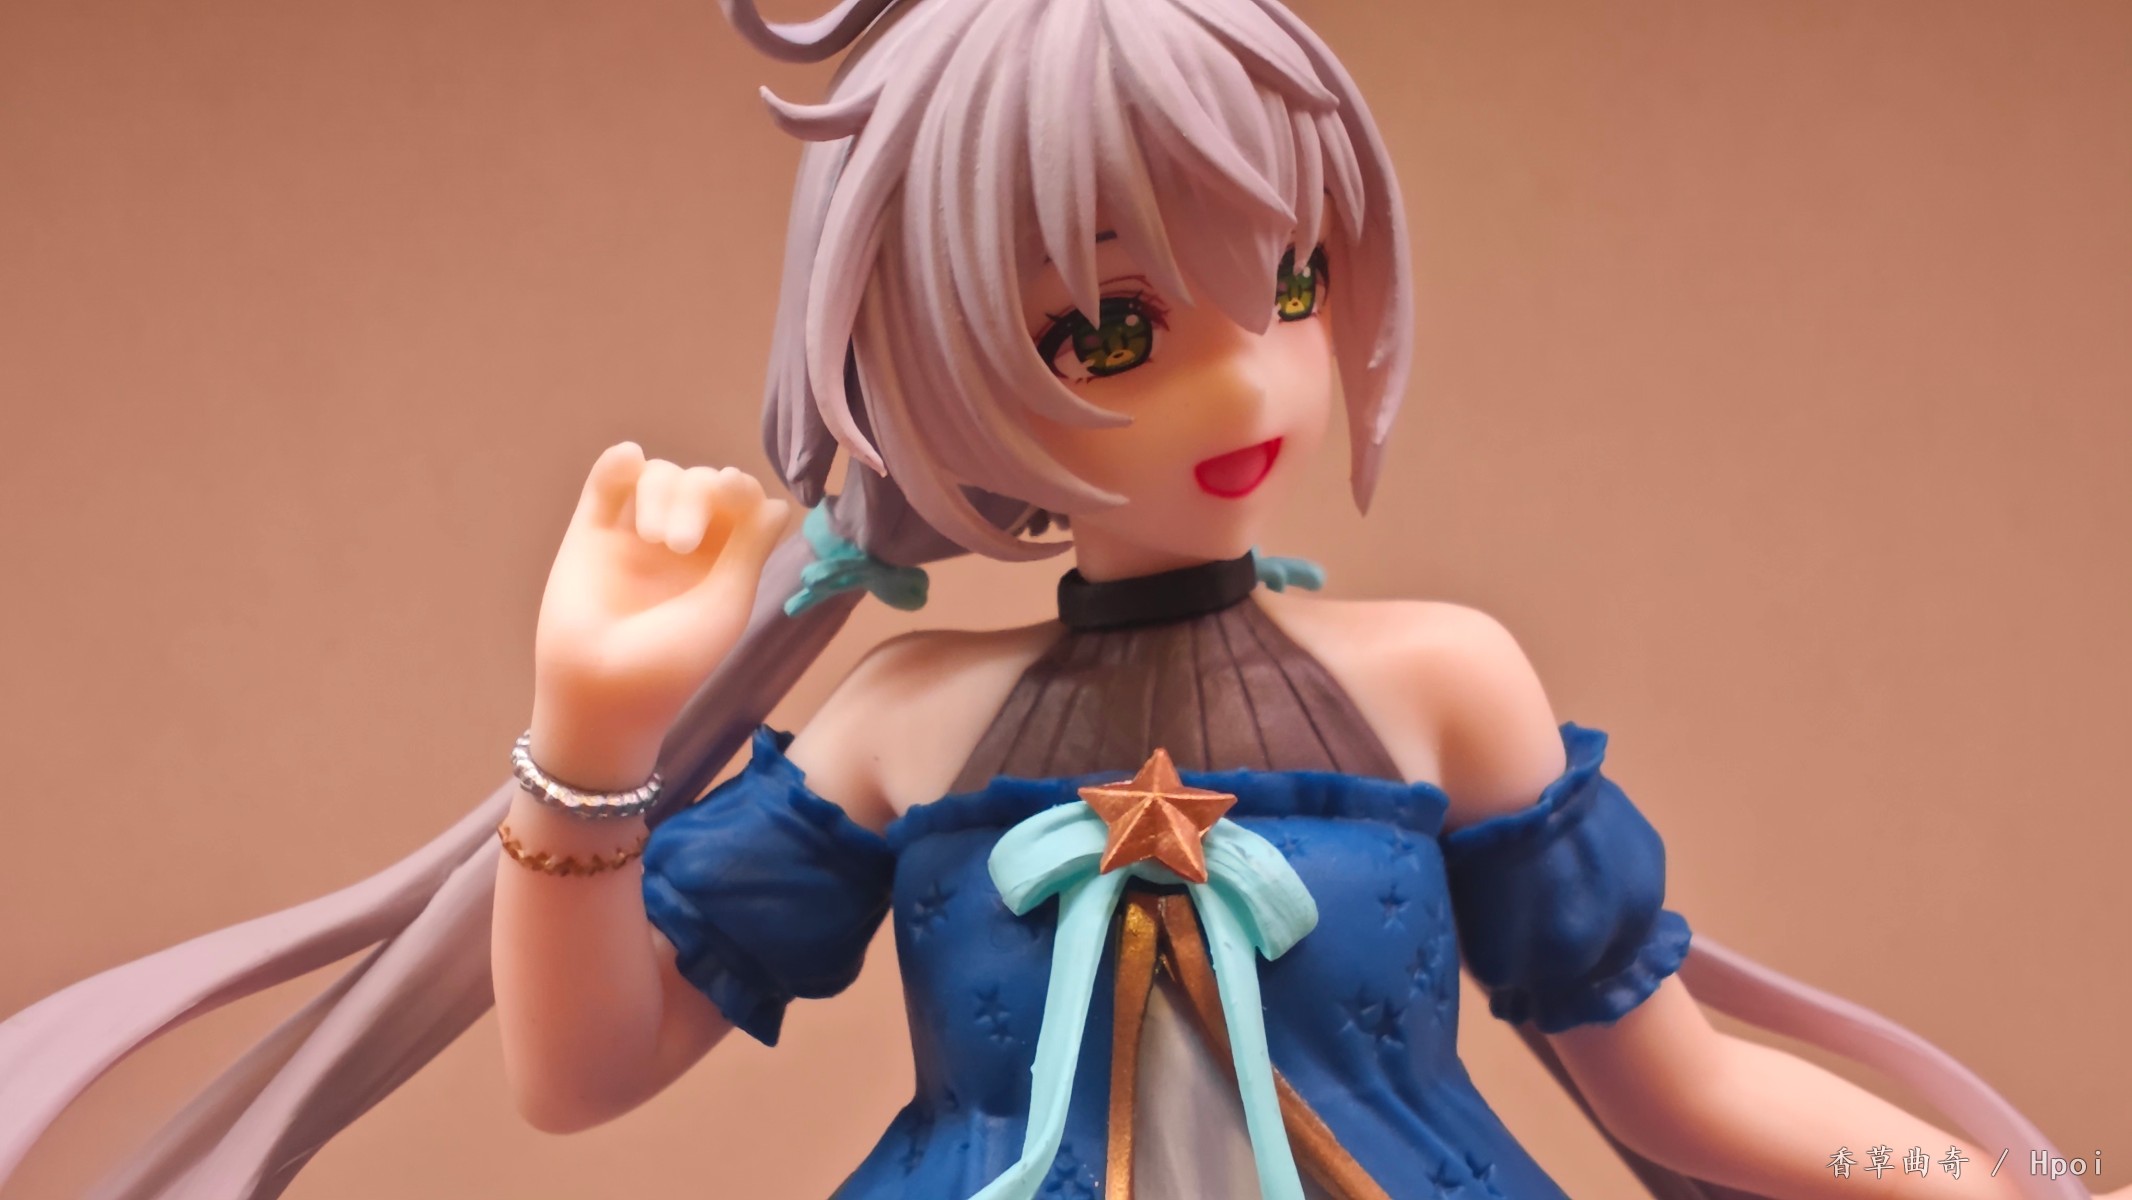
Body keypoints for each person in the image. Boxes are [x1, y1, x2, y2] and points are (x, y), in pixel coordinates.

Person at [0, 1, 2115, 1198]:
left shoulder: (1438, 689)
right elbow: (583, 1069)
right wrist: (595, 733)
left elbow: (1676, 1083)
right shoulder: (905, 723)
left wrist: (1989, 1187)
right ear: (930, 348)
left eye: (1290, 282)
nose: (1247, 379)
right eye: (1110, 326)